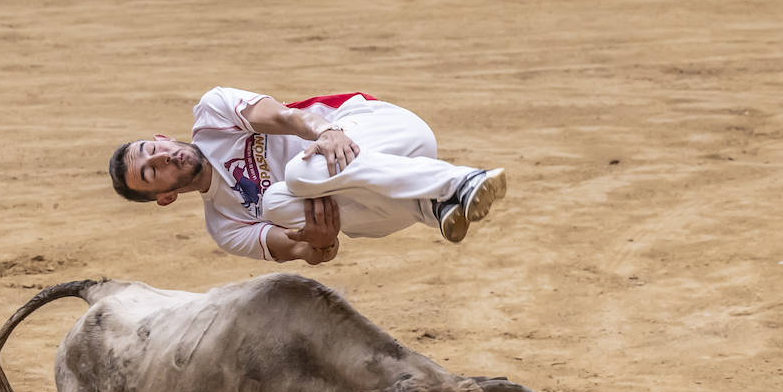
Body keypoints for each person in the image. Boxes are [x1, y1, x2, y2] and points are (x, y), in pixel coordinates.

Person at [108, 88, 507, 265]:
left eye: (151, 148)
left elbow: (285, 117)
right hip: (386, 203)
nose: (161, 157)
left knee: (300, 171)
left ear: (159, 138)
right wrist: (319, 243)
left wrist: (325, 132)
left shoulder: (213, 115)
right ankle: (431, 205)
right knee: (276, 203)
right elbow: (309, 252)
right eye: (150, 172)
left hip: (380, 132)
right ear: (164, 197)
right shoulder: (226, 226)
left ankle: (460, 182)